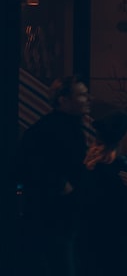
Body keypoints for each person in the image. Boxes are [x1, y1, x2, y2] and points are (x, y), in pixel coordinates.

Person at [16, 75, 92, 276]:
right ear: (63, 99)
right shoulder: (51, 129)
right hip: (56, 219)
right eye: (82, 95)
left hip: (63, 217)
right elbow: (26, 166)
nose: (87, 99)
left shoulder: (64, 127)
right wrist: (62, 186)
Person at [77, 110, 127, 276]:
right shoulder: (115, 169)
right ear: (122, 136)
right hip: (115, 247)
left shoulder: (94, 165)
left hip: (97, 246)